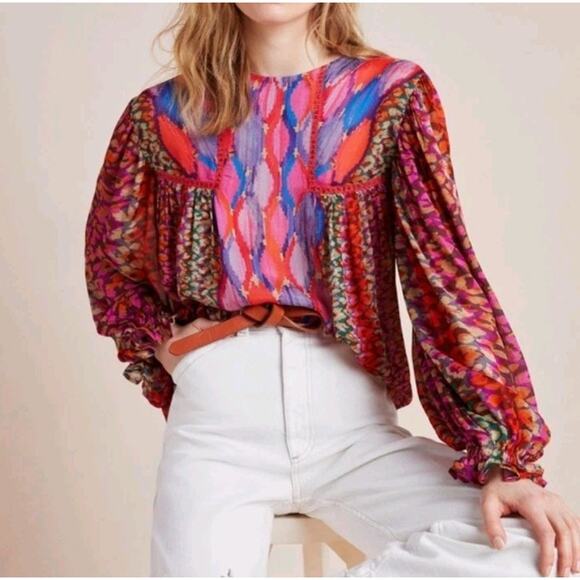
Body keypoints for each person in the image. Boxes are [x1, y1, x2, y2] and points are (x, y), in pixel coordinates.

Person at [84, 3, 580, 577]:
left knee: (530, 554)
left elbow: (443, 273)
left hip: (354, 426)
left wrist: (503, 458)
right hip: (218, 429)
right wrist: (165, 348)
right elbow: (111, 258)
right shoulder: (159, 114)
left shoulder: (390, 96)